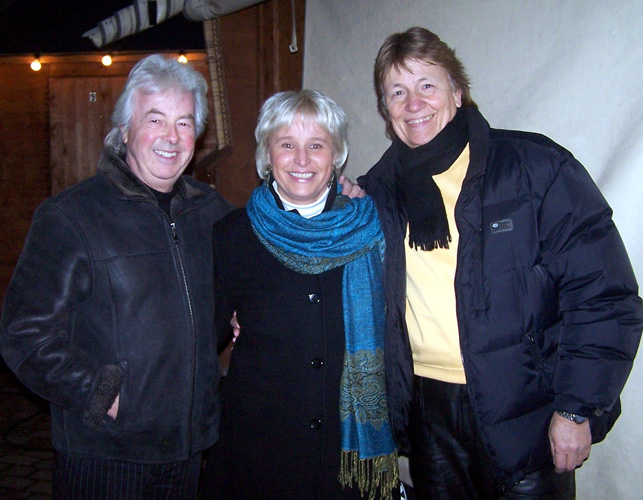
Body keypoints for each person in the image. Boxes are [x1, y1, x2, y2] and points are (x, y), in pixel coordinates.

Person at [346, 27, 642, 499]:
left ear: (457, 92)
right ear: (386, 109)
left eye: (427, 85)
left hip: (526, 411)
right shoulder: (377, 193)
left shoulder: (533, 167)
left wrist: (577, 408)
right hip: (428, 414)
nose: (413, 103)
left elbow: (604, 295)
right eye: (397, 92)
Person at [0, 54, 233, 499]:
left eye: (184, 123)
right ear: (125, 129)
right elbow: (22, 333)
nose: (171, 137)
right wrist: (101, 394)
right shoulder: (71, 216)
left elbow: (259, 262)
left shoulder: (211, 213)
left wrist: (337, 195)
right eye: (155, 119)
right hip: (106, 454)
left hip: (188, 448)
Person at [204, 89, 399, 500]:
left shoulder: (372, 229)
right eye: (287, 145)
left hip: (345, 454)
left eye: (316, 145)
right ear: (267, 155)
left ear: (337, 155)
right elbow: (205, 336)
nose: (302, 160)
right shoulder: (232, 235)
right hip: (259, 451)